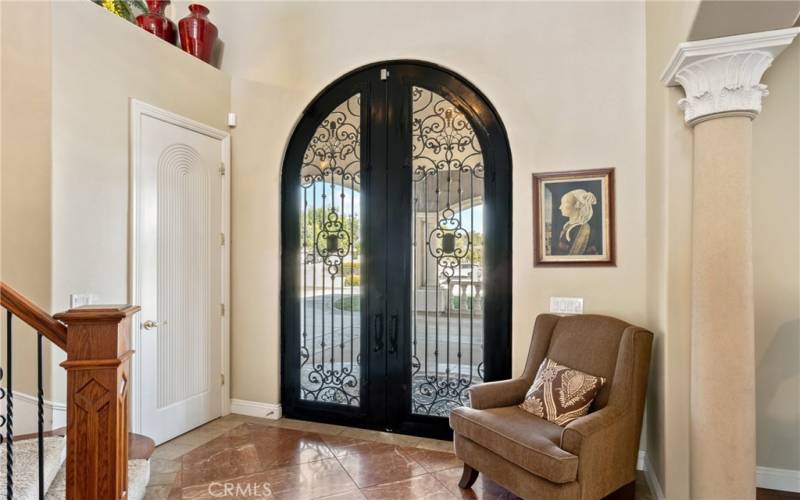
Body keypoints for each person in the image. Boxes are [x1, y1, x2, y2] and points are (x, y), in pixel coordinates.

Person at [556, 188, 598, 255]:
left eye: (565, 203)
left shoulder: (583, 229)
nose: (560, 207)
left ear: (578, 205)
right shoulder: (568, 225)